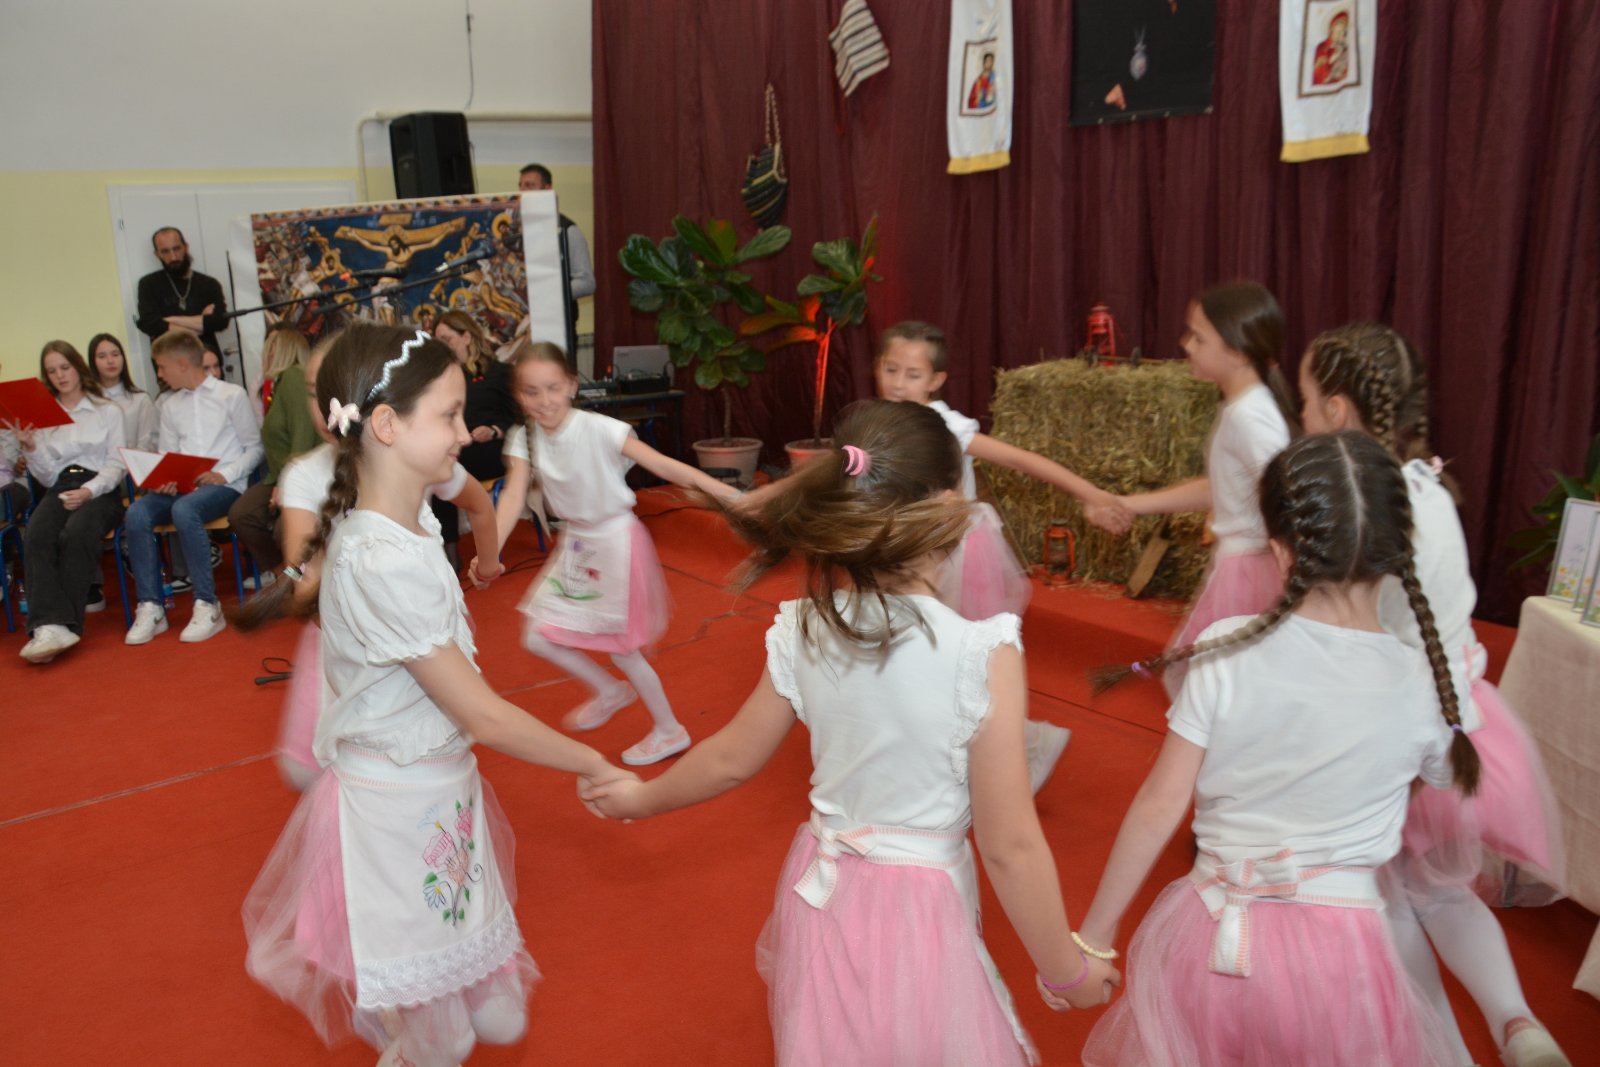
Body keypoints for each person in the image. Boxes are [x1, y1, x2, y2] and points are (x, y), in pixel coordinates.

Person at [581, 400, 1119, 1065]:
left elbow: (729, 757)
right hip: (922, 911)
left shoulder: (804, 626)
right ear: (953, 507)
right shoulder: (982, 652)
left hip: (825, 892)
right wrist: (1065, 970)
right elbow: (1009, 844)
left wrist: (640, 798)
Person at [239, 324, 635, 1067]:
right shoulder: (377, 558)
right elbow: (480, 711)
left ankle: (417, 1020)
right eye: (449, 415)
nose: (464, 430)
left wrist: (485, 549)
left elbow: (478, 508)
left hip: (444, 795)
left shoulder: (414, 514)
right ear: (387, 426)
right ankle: (407, 1034)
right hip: (395, 811)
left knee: (502, 1022)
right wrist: (591, 760)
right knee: (445, 1040)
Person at [1077, 431, 1475, 1067]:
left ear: (1283, 550)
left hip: (1212, 936)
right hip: (1341, 956)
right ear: (1397, 551)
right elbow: (1430, 777)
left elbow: (1159, 804)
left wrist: (1095, 937)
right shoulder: (1425, 681)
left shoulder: (1227, 648)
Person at [1299, 323, 1572, 1067]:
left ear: (1336, 411)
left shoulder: (1360, 510)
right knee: (1446, 891)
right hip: (1461, 720)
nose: (1301, 417)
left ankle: (1446, 1052)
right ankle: (1518, 1023)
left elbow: (1346, 638)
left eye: (1306, 402)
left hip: (1389, 732)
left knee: (1388, 897)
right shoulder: (1429, 487)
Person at [872, 321, 1128, 791]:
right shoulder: (880, 421)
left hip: (952, 557)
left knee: (951, 662)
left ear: (936, 380)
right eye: (890, 369)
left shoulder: (947, 426)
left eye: (912, 374)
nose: (898, 383)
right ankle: (929, 751)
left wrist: (1090, 492)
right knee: (915, 658)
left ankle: (1026, 743)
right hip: (907, 550)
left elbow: (1018, 459)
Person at [472, 341, 741, 765]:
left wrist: (732, 497)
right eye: (531, 392)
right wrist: (490, 552)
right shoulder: (525, 438)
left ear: (571, 385)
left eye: (553, 388)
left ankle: (669, 730)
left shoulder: (598, 428)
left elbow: (665, 466)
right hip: (577, 545)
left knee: (622, 650)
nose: (544, 401)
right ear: (518, 396)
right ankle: (610, 690)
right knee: (537, 635)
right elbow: (512, 498)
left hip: (616, 542)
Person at [268, 331, 505, 791]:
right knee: (327, 766)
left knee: (428, 744)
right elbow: (302, 579)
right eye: (314, 393)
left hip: (415, 625)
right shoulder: (305, 475)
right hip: (353, 648)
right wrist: (337, 576)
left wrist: (490, 563)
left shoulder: (422, 457)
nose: (326, 405)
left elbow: (479, 504)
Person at [1089, 281, 1297, 695]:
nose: (1186, 344)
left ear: (1237, 352)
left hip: (1248, 573)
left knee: (1214, 691)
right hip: (1241, 565)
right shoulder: (1240, 406)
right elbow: (1219, 488)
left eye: (1199, 338)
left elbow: (1286, 495)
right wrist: (1129, 503)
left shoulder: (1250, 416)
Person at [124, 328, 264, 645]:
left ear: (183, 364)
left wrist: (224, 474)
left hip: (225, 486)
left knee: (185, 509)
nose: (160, 374)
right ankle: (151, 606)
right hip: (184, 489)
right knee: (137, 513)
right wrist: (165, 479)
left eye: (162, 367)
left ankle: (207, 604)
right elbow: (170, 455)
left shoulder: (231, 395)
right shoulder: (170, 405)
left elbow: (255, 448)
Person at [6, 342, 127, 663]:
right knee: (37, 533)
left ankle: (67, 625)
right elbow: (48, 476)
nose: (59, 376)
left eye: (64, 367)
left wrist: (89, 491)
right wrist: (31, 446)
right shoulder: (45, 417)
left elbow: (117, 465)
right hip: (61, 485)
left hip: (101, 488)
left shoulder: (107, 409)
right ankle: (47, 626)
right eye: (51, 371)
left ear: (78, 367)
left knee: (77, 531)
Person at [227, 325, 319, 574]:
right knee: (242, 513)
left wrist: (288, 482)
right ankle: (282, 575)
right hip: (279, 474)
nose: (264, 357)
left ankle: (295, 577)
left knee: (280, 529)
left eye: (269, 351)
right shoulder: (280, 384)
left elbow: (303, 432)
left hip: (298, 474)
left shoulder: (293, 377)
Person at [432, 311, 518, 563]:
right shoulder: (442, 379)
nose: (442, 347)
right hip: (457, 450)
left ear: (467, 337)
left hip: (491, 449)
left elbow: (516, 418)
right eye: (437, 341)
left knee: (444, 469)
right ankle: (451, 553)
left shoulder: (499, 372)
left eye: (447, 339)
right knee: (436, 469)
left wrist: (493, 430)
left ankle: (451, 553)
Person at [518, 164, 595, 335]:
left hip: (558, 327)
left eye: (529, 186)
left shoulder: (568, 230)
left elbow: (587, 282)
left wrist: (548, 292)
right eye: (520, 186)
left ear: (547, 189)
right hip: (522, 326)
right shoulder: (515, 229)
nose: (522, 192)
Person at [136, 227, 229, 359]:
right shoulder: (148, 284)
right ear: (157, 254)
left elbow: (220, 321)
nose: (173, 256)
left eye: (177, 249)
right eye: (165, 251)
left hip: (207, 359)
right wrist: (200, 322)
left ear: (186, 247)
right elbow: (149, 323)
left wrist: (170, 320)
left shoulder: (209, 284)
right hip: (169, 360)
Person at [89, 332, 157, 450]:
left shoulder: (140, 399)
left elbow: (147, 444)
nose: (110, 361)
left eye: (115, 354)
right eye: (102, 356)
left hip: (131, 460)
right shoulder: (88, 400)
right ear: (93, 362)